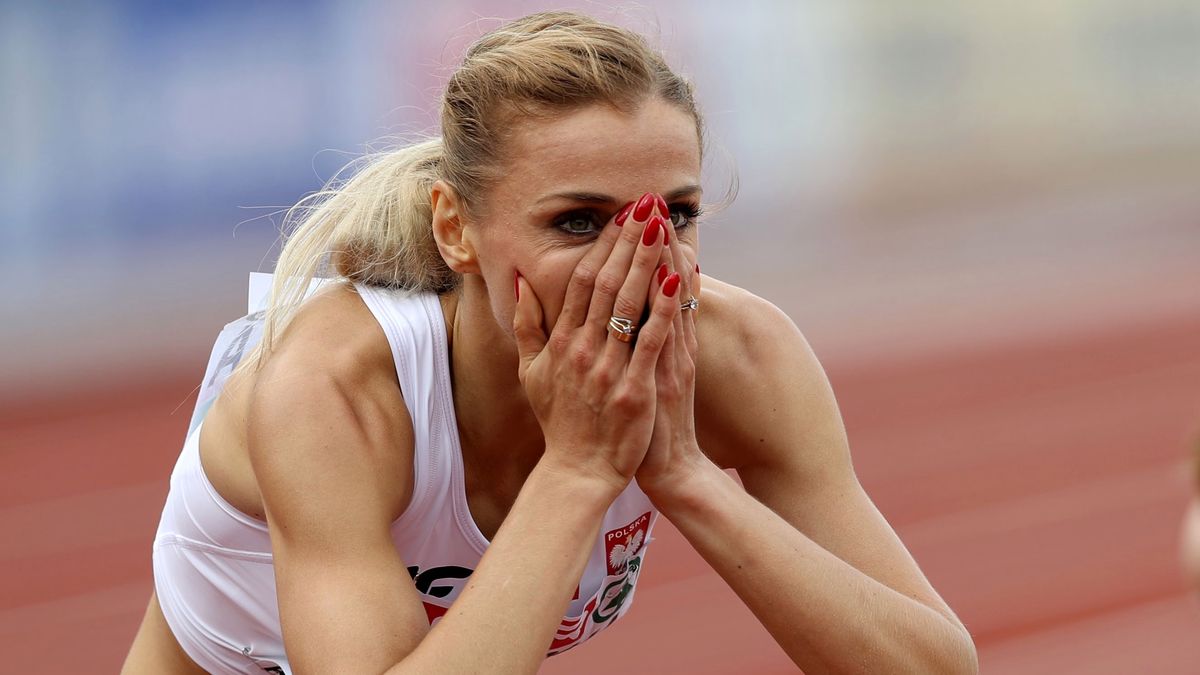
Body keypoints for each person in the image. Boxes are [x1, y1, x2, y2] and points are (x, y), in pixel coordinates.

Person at [122, 11, 978, 675]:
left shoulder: (737, 355)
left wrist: (685, 479)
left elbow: (930, 664)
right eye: (578, 222)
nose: (638, 263)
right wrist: (577, 470)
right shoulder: (336, 391)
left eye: (673, 215)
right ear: (457, 230)